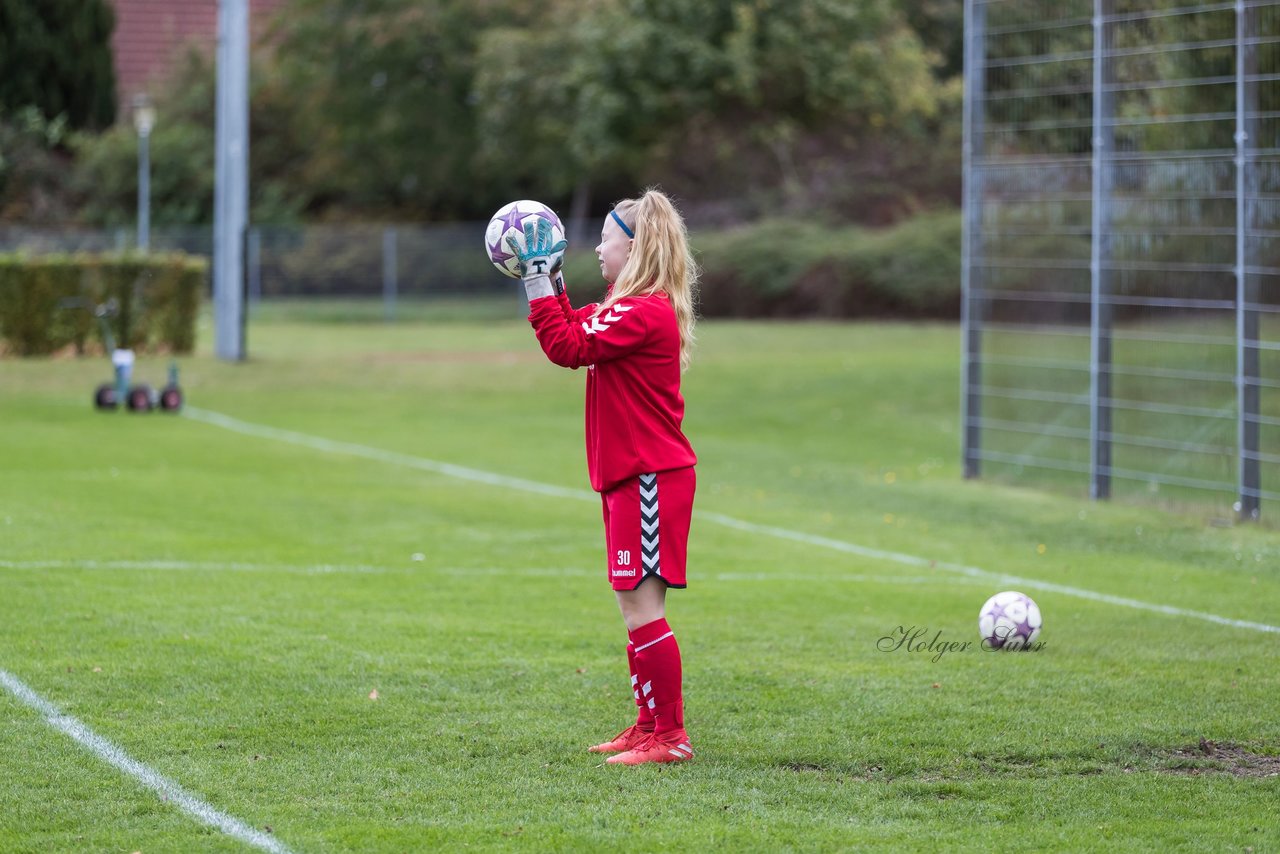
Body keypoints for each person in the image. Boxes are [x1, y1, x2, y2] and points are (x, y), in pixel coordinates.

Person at [506, 189, 698, 765]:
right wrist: (550, 277)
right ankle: (648, 727)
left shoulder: (642, 309)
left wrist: (537, 278)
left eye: (606, 237)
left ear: (633, 247)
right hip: (631, 475)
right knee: (632, 608)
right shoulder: (630, 303)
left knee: (643, 610)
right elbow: (573, 325)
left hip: (649, 478)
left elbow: (566, 346)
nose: (597, 246)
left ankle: (670, 738)